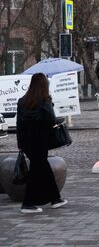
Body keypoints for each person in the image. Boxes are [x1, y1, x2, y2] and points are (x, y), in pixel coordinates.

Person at [16, 73, 68, 213]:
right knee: (37, 171)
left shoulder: (22, 101)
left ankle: (55, 199)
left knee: (43, 168)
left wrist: (20, 143)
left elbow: (19, 124)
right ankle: (28, 203)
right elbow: (51, 120)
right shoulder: (45, 100)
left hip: (27, 141)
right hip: (40, 140)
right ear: (44, 85)